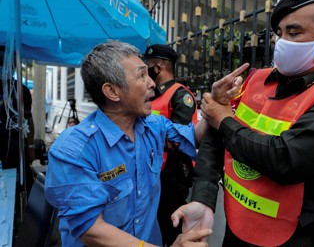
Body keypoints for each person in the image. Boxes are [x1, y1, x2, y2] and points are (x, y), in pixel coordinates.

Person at [172, 0, 314, 247]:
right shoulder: (255, 80)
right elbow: (215, 139)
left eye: (293, 33)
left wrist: (223, 119)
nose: (280, 42)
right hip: (238, 228)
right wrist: (203, 198)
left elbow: (287, 159)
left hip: (297, 237)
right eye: (278, 33)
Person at [44, 40, 247, 247]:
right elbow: (91, 230)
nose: (151, 83)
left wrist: (216, 102)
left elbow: (194, 136)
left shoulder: (153, 125)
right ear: (112, 92)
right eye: (141, 75)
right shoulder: (73, 150)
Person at [143, 44, 198, 246]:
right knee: (157, 223)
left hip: (174, 172)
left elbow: (176, 140)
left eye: (147, 64)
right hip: (156, 170)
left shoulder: (180, 95)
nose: (144, 69)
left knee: (171, 226)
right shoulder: (153, 95)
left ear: (158, 66)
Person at [0, 45, 35, 191]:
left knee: (22, 187)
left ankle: (20, 211)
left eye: (10, 62)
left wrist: (31, 146)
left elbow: (29, 119)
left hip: (16, 149)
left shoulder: (21, 90)